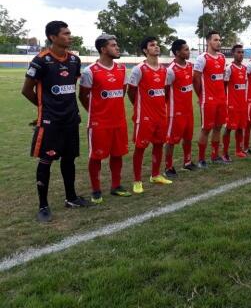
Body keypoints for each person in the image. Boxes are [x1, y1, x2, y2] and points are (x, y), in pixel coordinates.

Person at [22, 21, 90, 222]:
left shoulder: (74, 60)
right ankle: (43, 206)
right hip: (50, 122)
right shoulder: (41, 61)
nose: (70, 36)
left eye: (70, 33)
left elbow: (71, 87)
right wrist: (43, 109)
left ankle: (71, 198)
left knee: (69, 160)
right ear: (53, 37)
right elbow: (26, 90)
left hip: (71, 120)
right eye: (66, 33)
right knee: (46, 161)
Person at [79, 34, 131, 204]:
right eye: (113, 45)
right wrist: (96, 112)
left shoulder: (122, 69)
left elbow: (121, 92)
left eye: (117, 45)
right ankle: (96, 190)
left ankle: (116, 186)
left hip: (119, 121)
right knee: (96, 156)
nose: (117, 48)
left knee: (118, 154)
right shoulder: (90, 71)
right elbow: (83, 96)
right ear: (103, 49)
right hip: (99, 122)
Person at [128, 37, 173, 194]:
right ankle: (137, 180)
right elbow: (131, 92)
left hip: (161, 115)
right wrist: (141, 107)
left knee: (159, 144)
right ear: (145, 50)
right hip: (144, 117)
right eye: (152, 45)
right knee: (140, 147)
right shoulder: (139, 69)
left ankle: (155, 175)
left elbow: (166, 91)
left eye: (157, 44)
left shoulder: (165, 70)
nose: (156, 47)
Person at [193, 31, 227, 167]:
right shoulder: (202, 58)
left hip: (221, 99)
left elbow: (222, 78)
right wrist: (201, 95)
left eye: (219, 40)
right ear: (208, 42)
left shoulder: (222, 57)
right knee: (206, 129)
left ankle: (215, 155)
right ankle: (201, 159)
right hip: (208, 100)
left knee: (218, 127)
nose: (218, 42)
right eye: (215, 40)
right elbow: (195, 78)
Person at [164, 39, 196, 176]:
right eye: (186, 49)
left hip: (188, 109)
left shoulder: (190, 66)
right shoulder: (170, 70)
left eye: (188, 49)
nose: (188, 52)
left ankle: (187, 162)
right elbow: (165, 91)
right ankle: (168, 167)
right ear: (177, 52)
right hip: (175, 112)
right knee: (171, 140)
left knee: (188, 137)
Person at [222, 44, 248, 161]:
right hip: (232, 103)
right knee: (228, 128)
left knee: (240, 127)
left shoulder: (244, 68)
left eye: (242, 52)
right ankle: (225, 153)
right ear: (233, 54)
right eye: (238, 52)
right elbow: (224, 86)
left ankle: (238, 150)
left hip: (242, 103)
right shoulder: (229, 68)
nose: (241, 54)